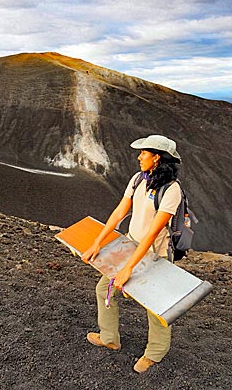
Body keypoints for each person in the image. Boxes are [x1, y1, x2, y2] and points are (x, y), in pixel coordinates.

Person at [82, 134, 182, 373]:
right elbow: (119, 213)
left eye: (144, 153)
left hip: (155, 254)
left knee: (156, 305)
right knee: (104, 289)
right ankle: (109, 338)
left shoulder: (171, 191)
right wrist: (98, 242)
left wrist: (128, 269)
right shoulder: (138, 179)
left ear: (156, 157)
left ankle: (155, 354)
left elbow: (152, 234)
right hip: (129, 245)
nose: (139, 157)